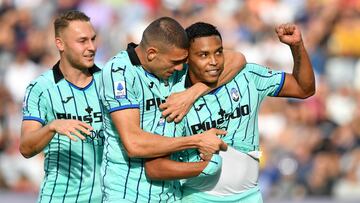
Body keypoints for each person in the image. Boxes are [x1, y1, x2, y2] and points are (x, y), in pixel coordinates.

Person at [145, 22, 315, 203]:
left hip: (249, 196)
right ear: (187, 58)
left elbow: (303, 88)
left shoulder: (247, 76)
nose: (213, 61)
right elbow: (155, 167)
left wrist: (297, 46)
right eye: (203, 55)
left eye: (218, 52)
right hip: (197, 197)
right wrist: (204, 166)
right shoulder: (174, 98)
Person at [99, 17, 246, 202]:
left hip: (172, 195)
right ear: (152, 53)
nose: (180, 67)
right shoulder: (119, 73)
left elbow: (237, 59)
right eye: (175, 62)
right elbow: (134, 144)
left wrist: (193, 92)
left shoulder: (174, 66)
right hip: (128, 194)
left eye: (183, 61)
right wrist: (196, 141)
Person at [20, 10, 104, 202]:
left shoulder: (108, 82)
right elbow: (25, 147)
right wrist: (52, 127)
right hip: (61, 197)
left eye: (93, 39)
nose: (91, 47)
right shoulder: (40, 88)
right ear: (60, 44)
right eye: (82, 41)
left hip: (106, 198)